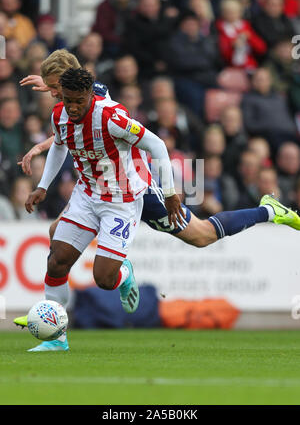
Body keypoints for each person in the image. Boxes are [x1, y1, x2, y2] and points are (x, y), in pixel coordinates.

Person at [15, 50, 300, 348]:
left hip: (137, 188)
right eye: (51, 91)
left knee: (201, 237)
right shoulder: (66, 106)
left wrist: (170, 193)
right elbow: (68, 131)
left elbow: (127, 136)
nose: (52, 95)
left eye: (53, 88)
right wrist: (43, 165)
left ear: (71, 85)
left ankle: (268, 209)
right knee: (56, 244)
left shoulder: (103, 107)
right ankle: (53, 327)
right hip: (92, 188)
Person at [18, 66, 184, 352]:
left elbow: (157, 145)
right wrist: (44, 186)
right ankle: (55, 338)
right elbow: (59, 146)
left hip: (121, 201)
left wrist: (169, 194)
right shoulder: (59, 114)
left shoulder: (111, 117)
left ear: (89, 96)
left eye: (78, 101)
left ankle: (124, 275)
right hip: (87, 194)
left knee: (104, 278)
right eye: (67, 100)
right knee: (57, 260)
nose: (71, 107)